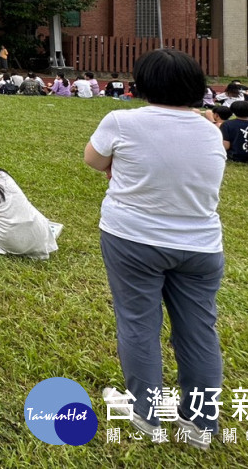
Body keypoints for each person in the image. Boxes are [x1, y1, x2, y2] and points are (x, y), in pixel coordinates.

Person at [85, 48, 227, 449]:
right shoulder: (209, 130)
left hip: (132, 239)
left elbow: (93, 160)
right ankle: (200, 423)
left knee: (138, 323)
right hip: (201, 245)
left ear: (141, 84)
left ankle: (146, 412)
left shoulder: (122, 121)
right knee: (199, 331)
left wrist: (118, 167)